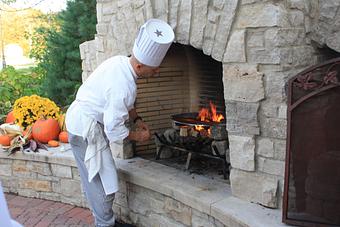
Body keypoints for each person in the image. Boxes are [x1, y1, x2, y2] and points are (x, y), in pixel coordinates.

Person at [65, 19, 175, 227]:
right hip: (86, 130)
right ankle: (104, 224)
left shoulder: (121, 63)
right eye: (155, 69)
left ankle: (104, 220)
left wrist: (137, 119)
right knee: (103, 184)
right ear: (141, 66)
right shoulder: (123, 86)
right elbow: (113, 129)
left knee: (98, 180)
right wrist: (138, 136)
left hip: (80, 121)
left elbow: (125, 103)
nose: (157, 72)